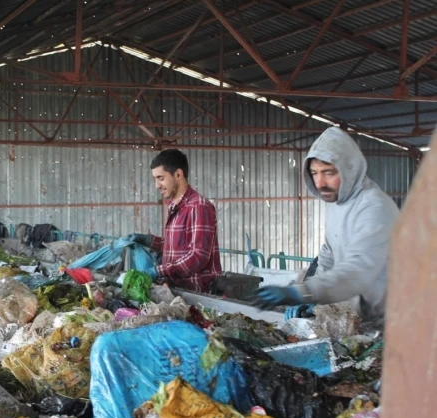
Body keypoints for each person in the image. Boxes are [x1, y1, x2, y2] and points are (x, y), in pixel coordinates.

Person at [252, 127, 400, 321]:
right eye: (314, 173)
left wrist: (304, 292)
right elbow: (329, 253)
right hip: (363, 314)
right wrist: (313, 297)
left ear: (349, 169)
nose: (320, 182)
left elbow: (358, 270)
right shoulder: (338, 201)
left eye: (329, 173)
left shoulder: (374, 207)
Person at [130, 149, 222, 292]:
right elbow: (177, 247)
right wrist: (150, 241)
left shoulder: (198, 207)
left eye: (161, 178)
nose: (157, 185)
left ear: (178, 174)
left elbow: (198, 257)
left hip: (197, 293)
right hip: (177, 290)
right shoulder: (174, 205)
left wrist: (158, 271)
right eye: (155, 179)